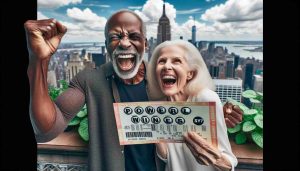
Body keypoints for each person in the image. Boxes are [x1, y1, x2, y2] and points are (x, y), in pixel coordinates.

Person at [24, 10, 242, 171]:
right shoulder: (89, 80)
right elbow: (46, 131)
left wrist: (223, 113)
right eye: (115, 37)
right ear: (107, 45)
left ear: (146, 44)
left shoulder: (164, 81)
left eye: (134, 37)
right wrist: (38, 61)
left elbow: (197, 105)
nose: (124, 43)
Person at [147, 40, 237, 171]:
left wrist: (214, 158)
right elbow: (168, 158)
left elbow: (229, 161)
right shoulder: (159, 107)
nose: (167, 66)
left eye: (176, 61)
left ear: (190, 73)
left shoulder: (206, 99)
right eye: (162, 61)